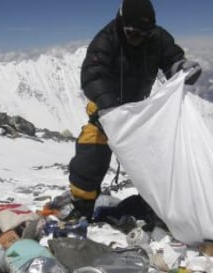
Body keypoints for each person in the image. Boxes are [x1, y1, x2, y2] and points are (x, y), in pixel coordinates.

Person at [66, 0, 202, 220]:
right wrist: (110, 108)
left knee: (158, 157)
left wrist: (181, 68)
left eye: (144, 35)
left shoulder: (157, 38)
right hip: (105, 111)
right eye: (133, 34)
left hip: (140, 112)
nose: (138, 39)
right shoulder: (106, 40)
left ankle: (157, 207)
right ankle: (82, 207)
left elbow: (172, 59)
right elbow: (92, 75)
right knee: (91, 154)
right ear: (122, 24)